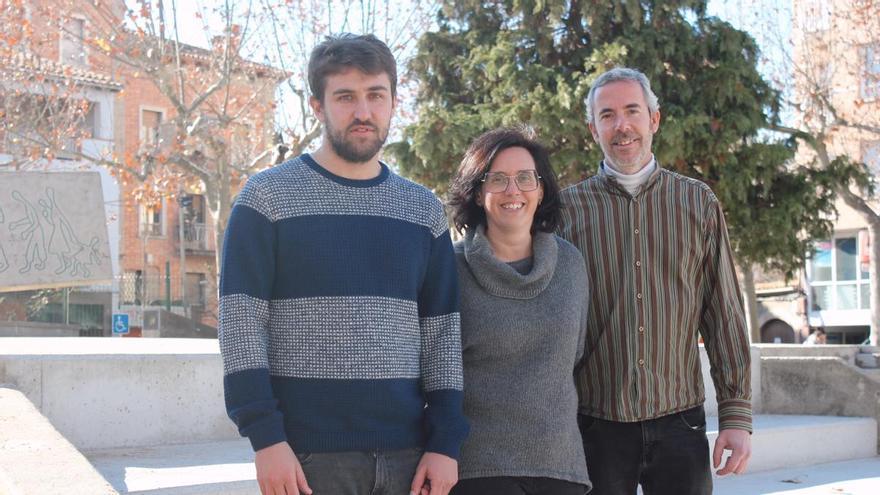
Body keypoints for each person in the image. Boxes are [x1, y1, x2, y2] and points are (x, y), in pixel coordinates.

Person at [218, 33, 468, 495]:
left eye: (376, 95)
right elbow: (241, 325)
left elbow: (442, 336)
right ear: (317, 106)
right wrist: (265, 438)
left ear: (394, 102)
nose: (363, 112)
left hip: (409, 458)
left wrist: (446, 443)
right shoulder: (267, 199)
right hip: (305, 459)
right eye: (345, 97)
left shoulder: (424, 211)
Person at [558, 67, 753, 495]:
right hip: (595, 426)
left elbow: (723, 313)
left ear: (654, 120)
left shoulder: (697, 203)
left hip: (680, 423)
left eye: (632, 111)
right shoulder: (566, 212)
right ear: (593, 129)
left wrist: (735, 414)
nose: (621, 125)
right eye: (607, 115)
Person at [446, 127, 591, 495]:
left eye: (525, 178)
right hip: (476, 470)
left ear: (541, 190)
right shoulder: (450, 269)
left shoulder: (571, 266)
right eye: (498, 179)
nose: (513, 191)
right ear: (479, 193)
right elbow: (436, 369)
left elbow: (574, 354)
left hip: (560, 468)